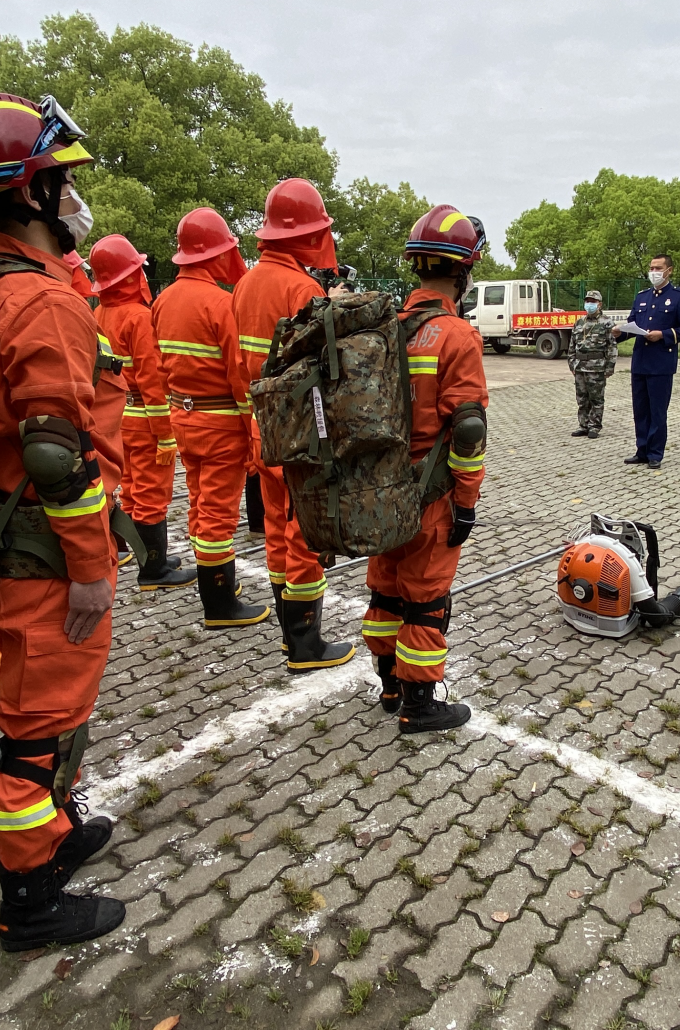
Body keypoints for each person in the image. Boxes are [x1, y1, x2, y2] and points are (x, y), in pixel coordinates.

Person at [0, 90, 123, 949]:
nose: (74, 197)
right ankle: (32, 902)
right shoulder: (41, 302)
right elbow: (56, 454)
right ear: (29, 190)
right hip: (44, 552)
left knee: (48, 717)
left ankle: (55, 833)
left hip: (15, 537)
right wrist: (89, 562)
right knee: (34, 734)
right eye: (61, 179)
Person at [360, 206, 488, 734]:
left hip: (377, 490)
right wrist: (465, 502)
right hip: (429, 497)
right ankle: (420, 704)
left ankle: (389, 686)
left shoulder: (383, 328)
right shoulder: (457, 337)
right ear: (463, 272)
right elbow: (468, 432)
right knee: (426, 600)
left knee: (386, 590)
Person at [233, 179, 356, 672]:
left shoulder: (243, 283)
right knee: (303, 529)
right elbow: (325, 371)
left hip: (262, 428)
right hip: (302, 434)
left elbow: (233, 360)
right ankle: (305, 644)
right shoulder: (301, 288)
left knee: (275, 529)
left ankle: (290, 633)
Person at [153, 207, 268, 630]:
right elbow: (239, 378)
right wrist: (252, 433)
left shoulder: (163, 299)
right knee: (219, 512)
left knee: (200, 503)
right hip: (220, 423)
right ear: (213, 255)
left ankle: (213, 581)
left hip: (183, 418)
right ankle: (219, 602)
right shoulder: (221, 303)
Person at [88, 234, 193, 593]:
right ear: (132, 276)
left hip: (116, 417)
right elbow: (152, 378)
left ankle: (146, 554)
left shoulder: (98, 313)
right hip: (145, 419)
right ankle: (154, 568)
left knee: (131, 488)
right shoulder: (138, 317)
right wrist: (165, 434)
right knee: (152, 494)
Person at [619, 253, 680, 468]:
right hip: (640, 362)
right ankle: (641, 450)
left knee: (657, 411)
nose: (654, 272)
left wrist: (663, 335)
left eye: (658, 268)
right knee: (640, 410)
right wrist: (619, 333)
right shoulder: (642, 296)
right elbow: (633, 324)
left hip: (661, 363)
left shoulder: (679, 297)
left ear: (669, 270)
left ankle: (655, 453)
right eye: (651, 268)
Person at [567, 290, 616, 437]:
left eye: (593, 302)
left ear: (599, 304)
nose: (590, 304)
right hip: (580, 366)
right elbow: (572, 345)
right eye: (588, 301)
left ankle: (594, 426)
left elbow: (612, 346)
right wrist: (572, 363)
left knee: (596, 398)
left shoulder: (607, 322)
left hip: (597, 366)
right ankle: (583, 425)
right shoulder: (579, 322)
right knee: (582, 398)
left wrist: (610, 367)